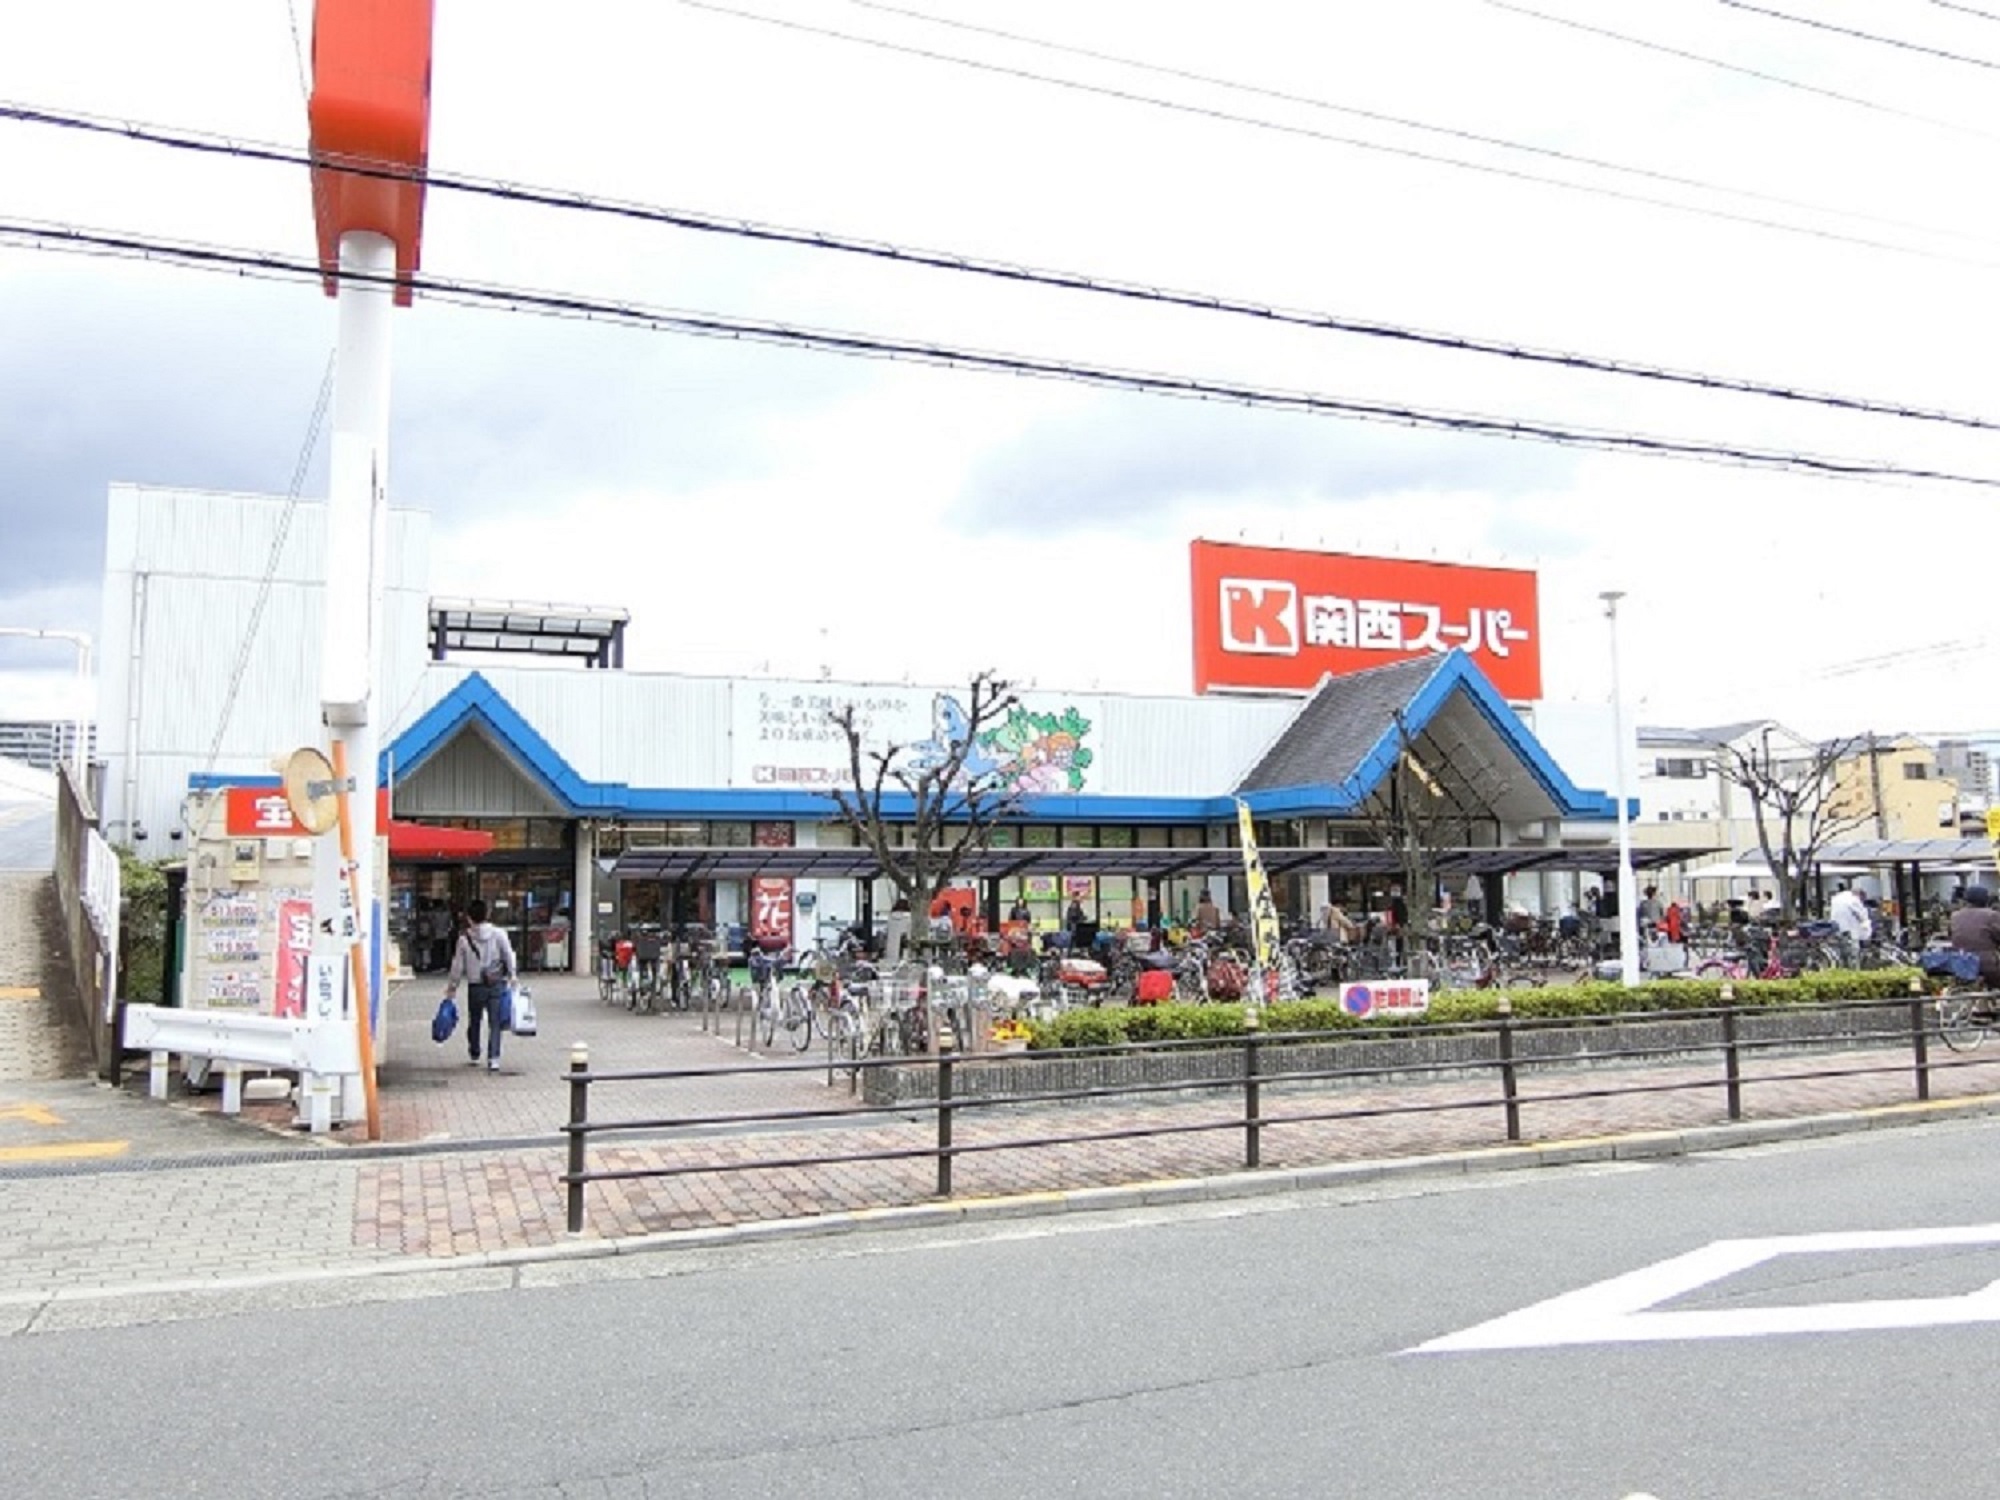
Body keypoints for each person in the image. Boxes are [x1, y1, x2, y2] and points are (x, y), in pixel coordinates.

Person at [444, 898, 518, 1072]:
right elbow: (508, 954)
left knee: (475, 1020)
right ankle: (494, 1058)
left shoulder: (464, 939)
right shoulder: (499, 934)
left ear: (469, 918)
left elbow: (457, 965)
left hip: (475, 985)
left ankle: (475, 1052)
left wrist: (452, 986)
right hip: (496, 983)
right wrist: (513, 974)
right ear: (488, 914)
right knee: (495, 1022)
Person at [1950, 885, 2000, 986]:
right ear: (1986, 899)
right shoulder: (1992, 915)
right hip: (1986, 965)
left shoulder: (1955, 916)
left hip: (1961, 964)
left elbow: (1952, 936)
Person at [1828, 880, 1871, 961]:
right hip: (1850, 929)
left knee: (1842, 950)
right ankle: (1854, 964)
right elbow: (1860, 914)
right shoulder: (1852, 899)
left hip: (1837, 927)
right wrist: (1866, 926)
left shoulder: (1836, 898)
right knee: (1853, 951)